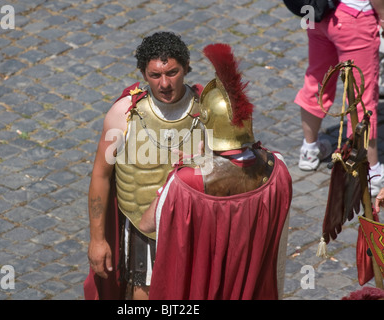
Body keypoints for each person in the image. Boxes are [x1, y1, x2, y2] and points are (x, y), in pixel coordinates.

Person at [139, 43, 293, 300]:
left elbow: (148, 223)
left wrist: (180, 172)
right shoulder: (278, 170)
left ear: (208, 121)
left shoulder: (186, 181)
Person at [83, 32, 204, 300]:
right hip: (142, 228)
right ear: (143, 73)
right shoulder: (123, 114)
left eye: (172, 73)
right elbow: (101, 176)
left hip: (195, 227)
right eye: (155, 75)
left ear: (185, 68)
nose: (164, 83)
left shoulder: (208, 111)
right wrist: (98, 240)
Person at [294, 0, 384, 196]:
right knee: (361, 99)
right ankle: (370, 174)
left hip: (316, 13)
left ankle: (309, 151)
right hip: (354, 18)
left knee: (316, 80)